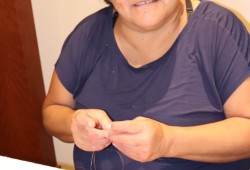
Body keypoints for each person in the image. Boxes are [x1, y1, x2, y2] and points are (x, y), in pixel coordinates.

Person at [42, 0, 250, 169]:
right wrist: (73, 125)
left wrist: (167, 142)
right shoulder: (87, 35)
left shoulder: (218, 29)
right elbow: (51, 111)